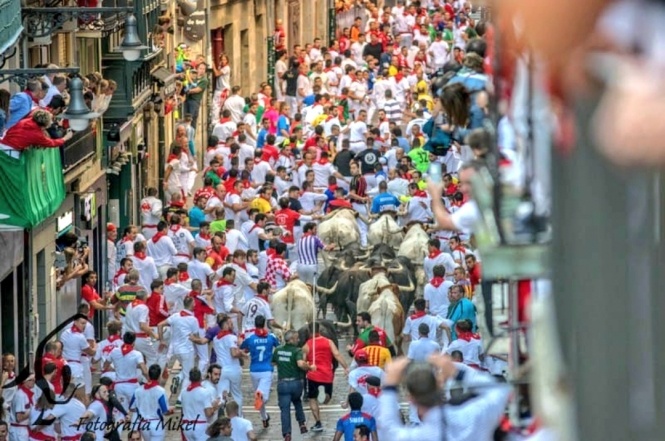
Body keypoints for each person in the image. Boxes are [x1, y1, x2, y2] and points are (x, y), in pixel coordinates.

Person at [378, 354, 510, 440]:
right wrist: (457, 372)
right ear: (440, 386)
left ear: (410, 399)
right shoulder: (474, 416)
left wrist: (389, 385)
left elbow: (389, 428)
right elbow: (501, 390)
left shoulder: (415, 437)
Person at [302, 322, 350, 432]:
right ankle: (323, 396)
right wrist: (346, 367)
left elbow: (303, 362)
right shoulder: (329, 342)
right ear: (320, 330)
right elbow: (337, 354)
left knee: (312, 399)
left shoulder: (307, 345)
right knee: (326, 400)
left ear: (309, 331)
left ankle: (318, 422)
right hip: (327, 375)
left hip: (313, 375)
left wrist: (308, 367)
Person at [240, 315, 280, 428]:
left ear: (255, 324)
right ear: (264, 323)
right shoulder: (271, 336)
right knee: (263, 397)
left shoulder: (250, 338)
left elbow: (242, 346)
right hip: (267, 369)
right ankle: (260, 397)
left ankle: (264, 417)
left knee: (259, 397)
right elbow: (279, 347)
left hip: (253, 370)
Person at [271, 330, 310, 441]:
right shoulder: (297, 351)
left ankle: (287, 433)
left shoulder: (278, 350)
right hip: (296, 383)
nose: (298, 340)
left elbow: (273, 362)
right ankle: (302, 423)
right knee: (297, 401)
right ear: (291, 339)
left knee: (285, 410)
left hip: (283, 383)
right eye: (296, 338)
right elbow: (300, 364)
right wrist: (309, 367)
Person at [129, 364, 173, 441]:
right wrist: (171, 410)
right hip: (156, 424)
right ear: (159, 376)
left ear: (148, 375)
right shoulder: (161, 391)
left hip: (144, 424)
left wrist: (143, 408)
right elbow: (165, 411)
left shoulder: (138, 390)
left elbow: (131, 408)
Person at [180, 368, 221, 441]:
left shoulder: (183, 392)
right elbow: (208, 413)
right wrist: (215, 407)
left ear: (190, 378)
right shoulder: (204, 392)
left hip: (186, 426)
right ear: (200, 378)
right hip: (200, 426)